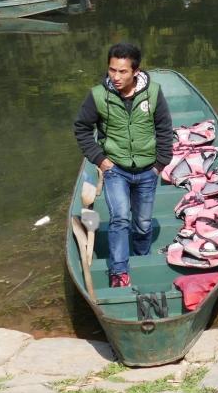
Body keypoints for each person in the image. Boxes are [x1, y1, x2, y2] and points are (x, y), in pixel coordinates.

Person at [73, 43, 173, 288]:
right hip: (115, 169)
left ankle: (141, 257)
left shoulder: (153, 93)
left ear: (135, 71)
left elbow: (164, 128)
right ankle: (119, 271)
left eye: (122, 71)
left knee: (143, 223)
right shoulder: (98, 96)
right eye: (112, 70)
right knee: (119, 218)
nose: (116, 76)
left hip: (148, 170)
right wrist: (100, 159)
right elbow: (82, 128)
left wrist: (160, 163)